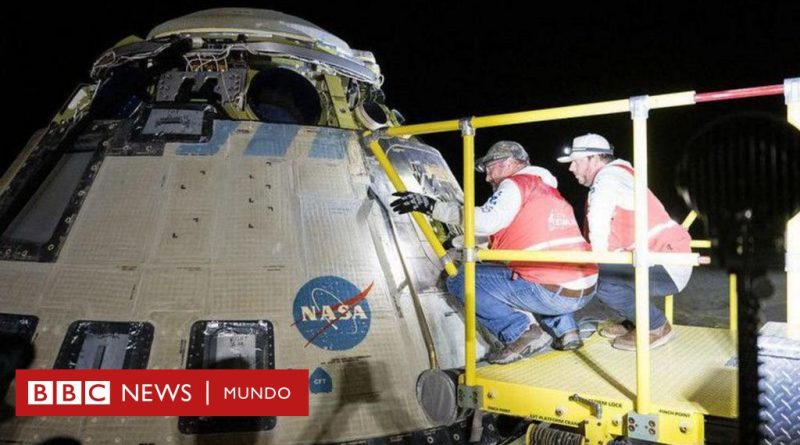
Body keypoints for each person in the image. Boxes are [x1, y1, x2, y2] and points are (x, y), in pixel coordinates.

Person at [391, 141, 598, 364]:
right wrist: (460, 244)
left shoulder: (515, 184)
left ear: (508, 163)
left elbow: (487, 222)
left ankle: (519, 332)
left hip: (552, 290)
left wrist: (432, 207)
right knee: (540, 272)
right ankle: (567, 332)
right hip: (584, 286)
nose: (488, 178)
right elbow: (506, 234)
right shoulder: (546, 189)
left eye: (490, 169)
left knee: (461, 279)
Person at [557, 133, 692, 350]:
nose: (571, 168)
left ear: (593, 159)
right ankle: (636, 321)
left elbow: (598, 217)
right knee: (609, 275)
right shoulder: (621, 175)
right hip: (663, 257)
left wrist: (596, 260)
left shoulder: (608, 178)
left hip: (666, 262)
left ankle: (656, 326)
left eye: (575, 161)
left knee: (602, 282)